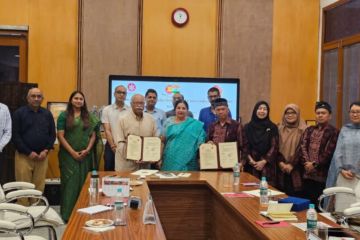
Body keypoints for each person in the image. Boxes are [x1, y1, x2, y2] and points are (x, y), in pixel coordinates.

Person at [57, 91, 103, 222]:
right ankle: (68, 215)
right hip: (68, 156)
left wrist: (87, 150)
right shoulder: (64, 116)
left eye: (81, 99)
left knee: (84, 183)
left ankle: (83, 213)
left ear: (84, 101)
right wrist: (72, 152)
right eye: (76, 98)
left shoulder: (89, 117)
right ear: (71, 100)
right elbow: (60, 135)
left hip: (85, 156)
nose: (78, 101)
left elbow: (93, 135)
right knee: (69, 183)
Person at [12, 88, 56, 205]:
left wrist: (46, 150)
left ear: (42, 99)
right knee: (23, 187)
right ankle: (23, 214)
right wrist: (28, 152)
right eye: (33, 96)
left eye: (39, 96)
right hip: (24, 156)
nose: (36, 99)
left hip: (42, 156)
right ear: (28, 98)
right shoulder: (19, 113)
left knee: (38, 188)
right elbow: (15, 136)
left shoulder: (47, 114)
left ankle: (36, 213)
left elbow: (52, 135)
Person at [299, 101, 338, 206]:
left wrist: (314, 165)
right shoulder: (309, 129)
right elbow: (302, 146)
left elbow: (329, 152)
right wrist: (307, 163)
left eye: (323, 113)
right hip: (307, 175)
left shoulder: (333, 132)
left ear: (329, 116)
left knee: (318, 206)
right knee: (306, 205)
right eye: (318, 113)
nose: (320, 115)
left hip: (322, 176)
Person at [325, 101, 360, 210]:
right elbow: (338, 151)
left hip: (358, 176)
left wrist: (355, 170)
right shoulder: (345, 129)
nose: (355, 114)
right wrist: (341, 169)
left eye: (358, 112)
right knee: (342, 209)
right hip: (343, 175)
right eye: (352, 112)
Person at [115, 94, 157, 171]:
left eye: (141, 103)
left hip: (145, 167)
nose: (139, 105)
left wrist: (151, 156)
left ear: (144, 104)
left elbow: (155, 140)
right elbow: (119, 142)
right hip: (126, 166)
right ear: (131, 104)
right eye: (136, 103)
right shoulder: (122, 119)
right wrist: (133, 156)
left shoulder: (151, 119)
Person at [161, 100, 206, 171]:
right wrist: (159, 158)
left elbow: (201, 140)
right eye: (178, 108)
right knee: (169, 180)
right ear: (175, 109)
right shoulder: (168, 122)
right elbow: (162, 140)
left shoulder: (195, 124)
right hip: (169, 159)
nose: (180, 110)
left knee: (187, 180)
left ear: (187, 110)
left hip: (189, 160)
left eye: (183, 108)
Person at [244, 101, 279, 185]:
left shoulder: (272, 127)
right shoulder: (247, 127)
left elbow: (275, 146)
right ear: (255, 110)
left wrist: (264, 161)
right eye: (260, 108)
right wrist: (251, 160)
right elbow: (245, 145)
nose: (262, 111)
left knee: (267, 192)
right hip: (251, 166)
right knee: (250, 193)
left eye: (265, 109)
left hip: (267, 166)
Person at [207, 98, 248, 169]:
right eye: (218, 110)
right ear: (215, 112)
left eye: (223, 109)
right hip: (214, 165)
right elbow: (207, 142)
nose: (220, 112)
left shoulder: (236, 125)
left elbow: (244, 146)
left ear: (228, 110)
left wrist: (241, 163)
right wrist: (208, 143)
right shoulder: (212, 126)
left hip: (231, 166)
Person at [277, 104, 307, 196]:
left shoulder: (304, 130)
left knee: (296, 199)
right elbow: (274, 147)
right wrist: (280, 163)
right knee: (280, 198)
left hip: (297, 169)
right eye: (287, 113)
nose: (290, 115)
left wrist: (291, 164)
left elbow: (303, 149)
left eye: (293, 113)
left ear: (298, 114)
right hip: (280, 168)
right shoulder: (278, 129)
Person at [101, 85, 129, 171]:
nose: (121, 94)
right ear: (114, 94)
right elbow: (107, 130)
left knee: (124, 171)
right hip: (111, 145)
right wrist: (113, 146)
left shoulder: (130, 110)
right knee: (109, 171)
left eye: (124, 93)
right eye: (119, 92)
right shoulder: (107, 110)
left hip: (126, 146)